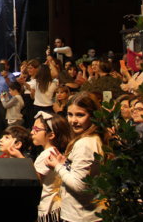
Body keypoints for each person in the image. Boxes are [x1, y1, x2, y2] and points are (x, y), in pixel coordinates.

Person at [46, 92, 104, 222]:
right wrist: (66, 164)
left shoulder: (85, 143)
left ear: (93, 116)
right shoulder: (90, 139)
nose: (73, 121)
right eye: (70, 114)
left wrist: (58, 166)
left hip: (81, 216)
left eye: (80, 115)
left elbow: (79, 186)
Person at [31, 111, 71, 222]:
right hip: (56, 205)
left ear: (51, 135)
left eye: (37, 129)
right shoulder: (54, 151)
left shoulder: (46, 155)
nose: (32, 132)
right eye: (33, 128)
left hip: (47, 206)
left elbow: (33, 183)